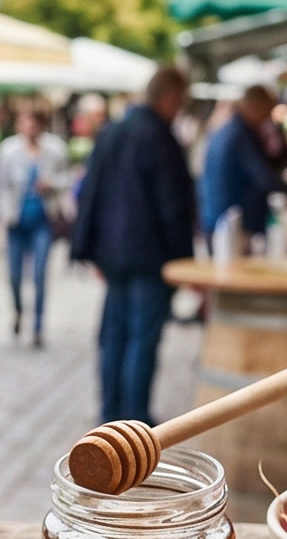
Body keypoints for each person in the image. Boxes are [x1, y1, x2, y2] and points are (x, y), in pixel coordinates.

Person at [69, 66, 197, 424]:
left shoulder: (113, 131)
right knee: (141, 338)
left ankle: (111, 414)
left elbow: (90, 194)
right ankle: (135, 419)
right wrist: (185, 262)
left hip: (113, 255)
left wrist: (88, 248)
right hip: (150, 257)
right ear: (170, 97)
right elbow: (174, 207)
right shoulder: (160, 138)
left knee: (115, 336)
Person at [0, 105, 69, 347]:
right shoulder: (8, 151)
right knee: (14, 276)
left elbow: (67, 178)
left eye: (35, 122)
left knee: (39, 274)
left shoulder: (55, 149)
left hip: (42, 223)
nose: (31, 127)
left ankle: (37, 326)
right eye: (26, 121)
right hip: (16, 222)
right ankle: (17, 310)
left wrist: (52, 183)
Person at [198, 83, 281, 245]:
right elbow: (264, 178)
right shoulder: (241, 135)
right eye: (266, 113)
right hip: (234, 226)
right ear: (257, 107)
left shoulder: (226, 129)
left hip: (216, 220)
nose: (267, 119)